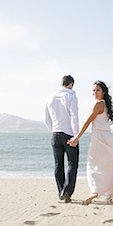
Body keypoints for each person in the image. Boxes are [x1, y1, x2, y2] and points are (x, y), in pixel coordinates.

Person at [45, 75, 79, 203]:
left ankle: (61, 192)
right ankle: (67, 192)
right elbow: (74, 117)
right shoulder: (71, 96)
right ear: (71, 84)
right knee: (72, 163)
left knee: (58, 164)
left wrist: (54, 130)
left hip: (55, 134)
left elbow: (46, 119)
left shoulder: (50, 97)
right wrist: (76, 136)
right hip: (69, 134)